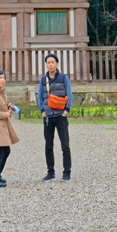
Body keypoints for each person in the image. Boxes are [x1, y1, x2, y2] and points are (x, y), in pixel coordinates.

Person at [38, 52, 72, 181]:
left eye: (52, 62)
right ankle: (50, 172)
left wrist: (66, 110)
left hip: (60, 115)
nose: (50, 64)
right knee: (48, 146)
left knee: (65, 145)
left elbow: (69, 94)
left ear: (57, 64)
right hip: (48, 116)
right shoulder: (43, 80)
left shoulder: (63, 78)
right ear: (46, 64)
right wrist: (42, 110)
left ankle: (67, 172)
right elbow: (40, 96)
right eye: (48, 62)